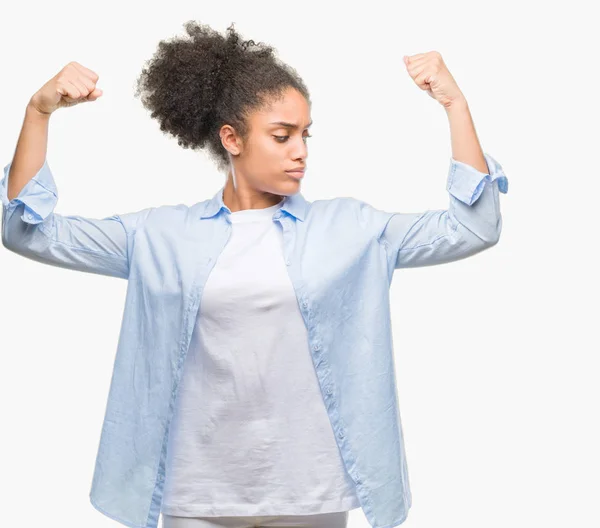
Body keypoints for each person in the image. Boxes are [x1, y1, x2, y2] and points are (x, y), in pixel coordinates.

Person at [0, 21, 508, 528]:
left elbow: (473, 228)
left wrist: (455, 105)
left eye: (305, 135)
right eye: (282, 136)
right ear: (232, 138)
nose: (300, 150)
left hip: (310, 489)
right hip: (196, 492)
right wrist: (38, 113)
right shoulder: (160, 235)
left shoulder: (352, 229)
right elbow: (29, 233)